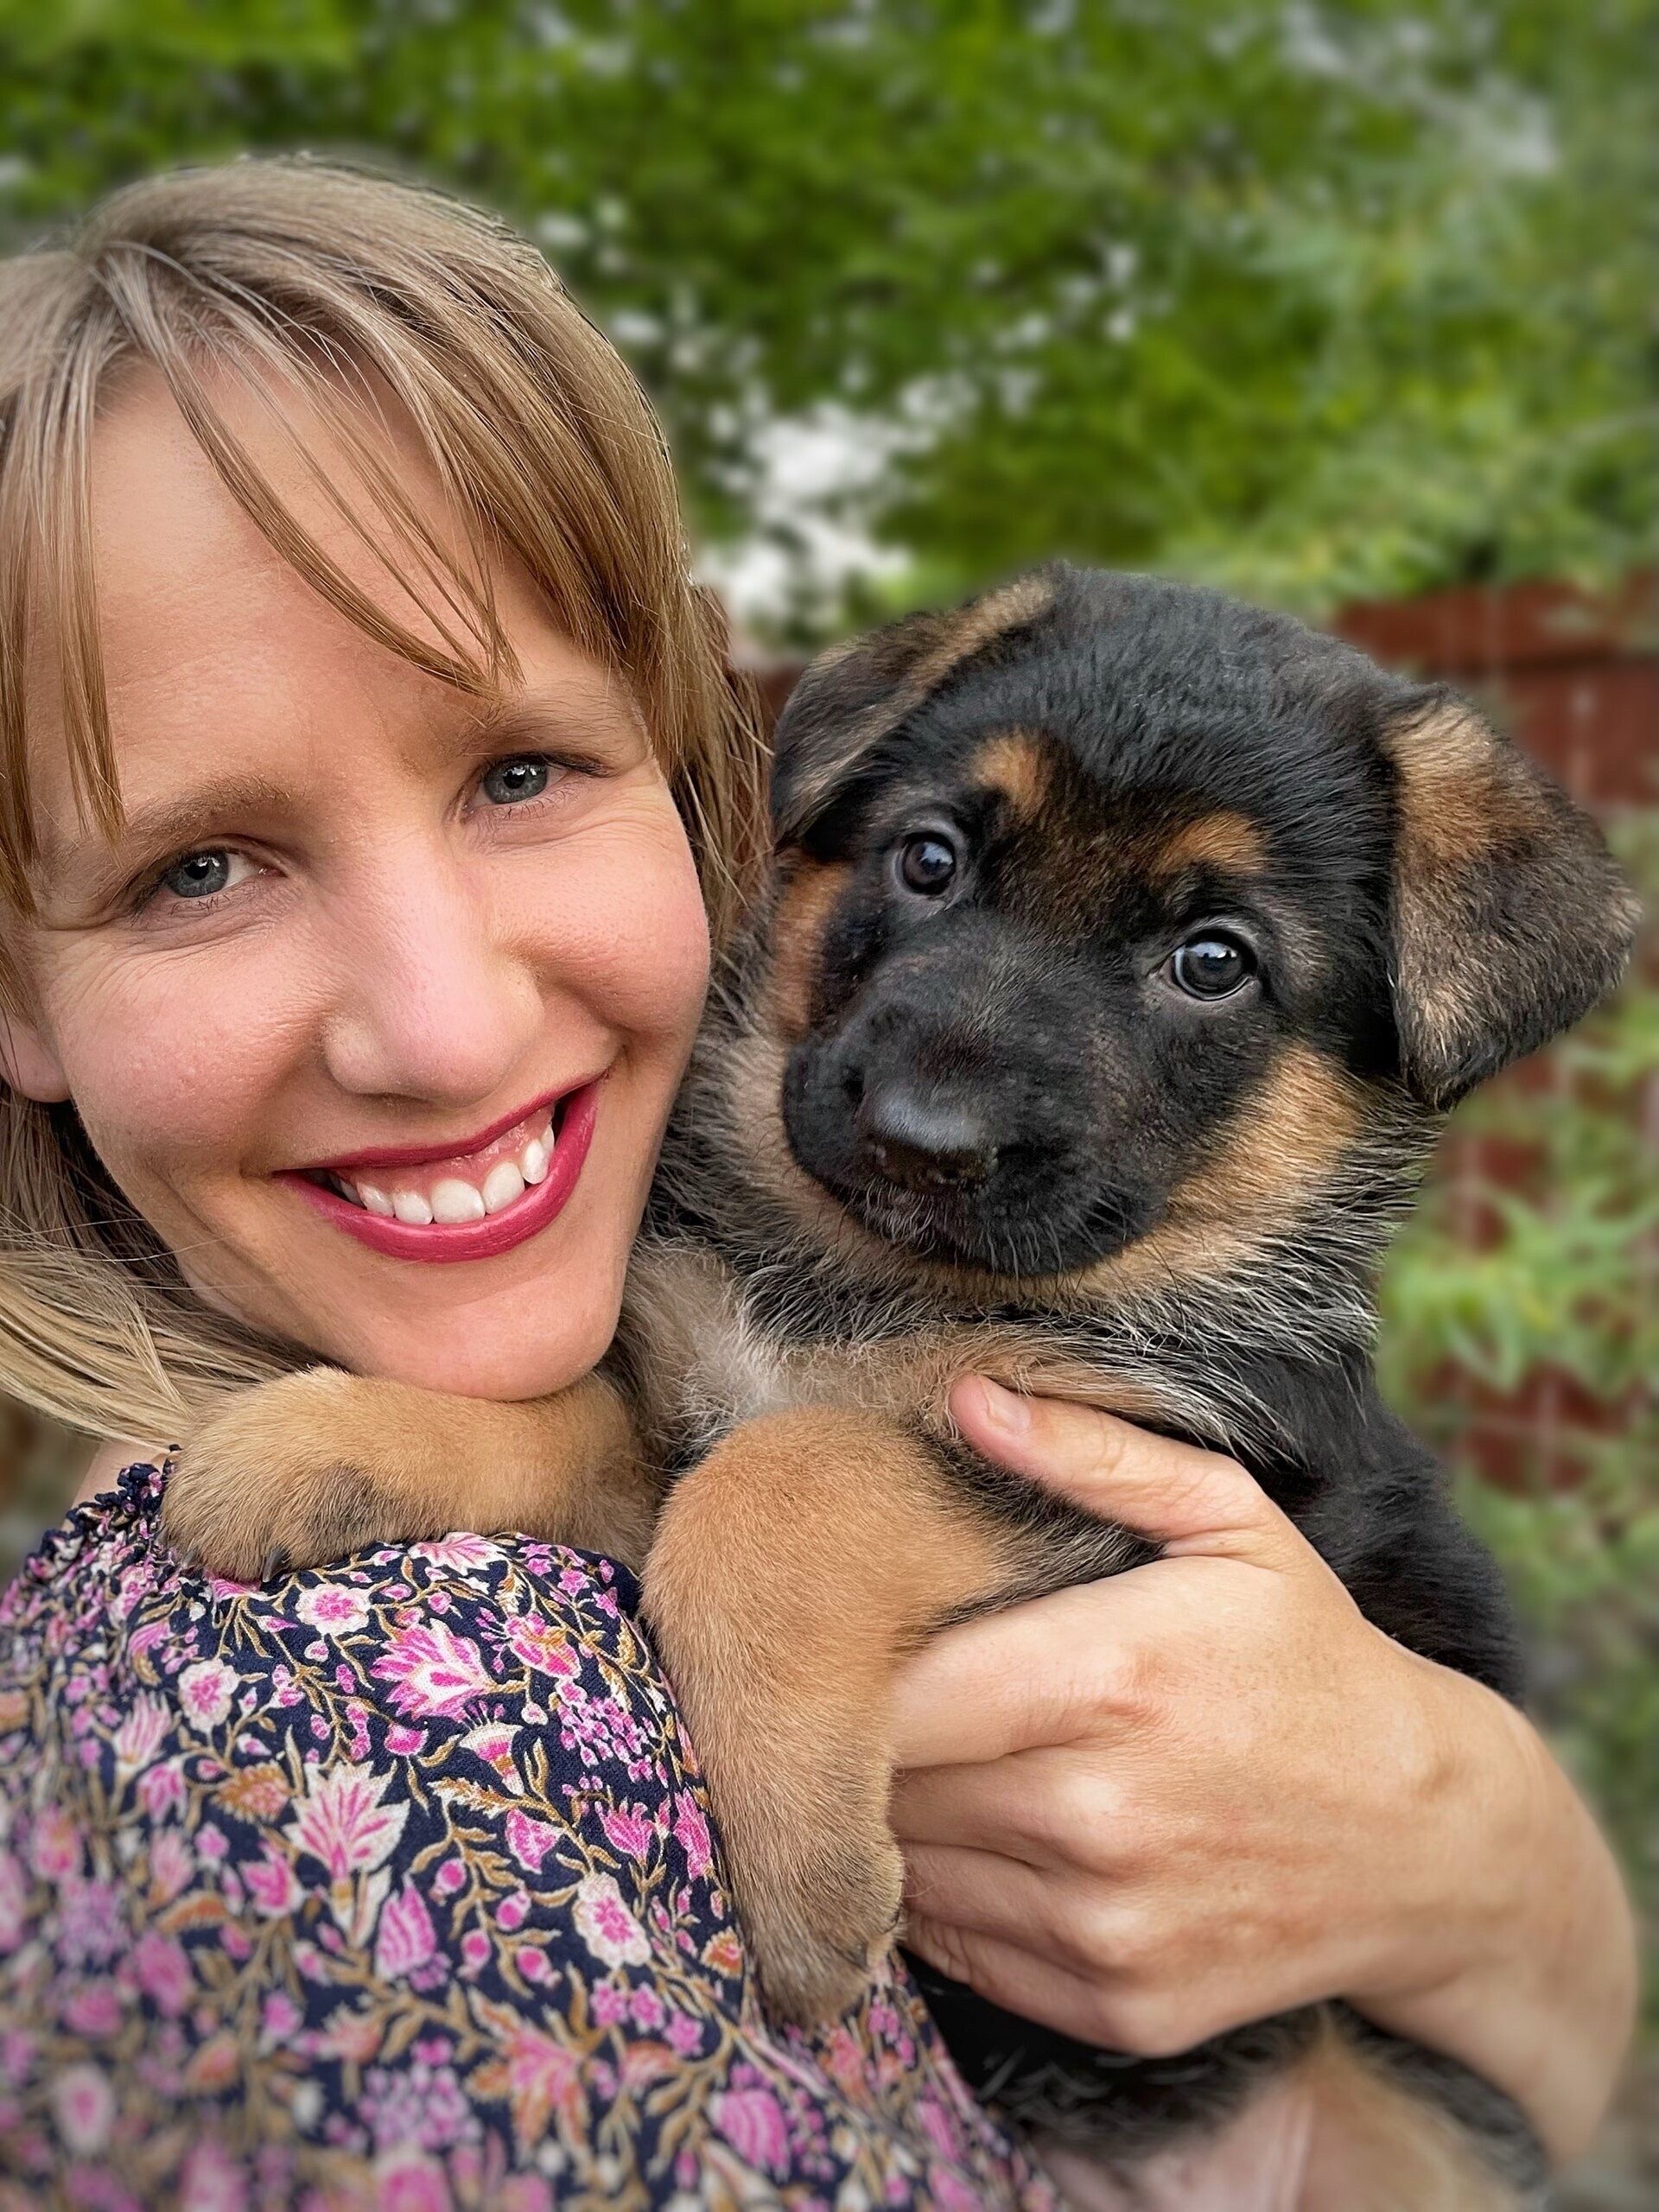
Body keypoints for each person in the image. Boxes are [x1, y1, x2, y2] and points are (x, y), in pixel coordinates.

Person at [0, 161, 1635, 2210]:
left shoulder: (1170, 1343)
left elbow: (940, 1499)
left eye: (1209, 962)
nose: (943, 1104)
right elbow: (674, 1444)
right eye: (938, 864)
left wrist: (1515, 1882)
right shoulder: (306, 1725)